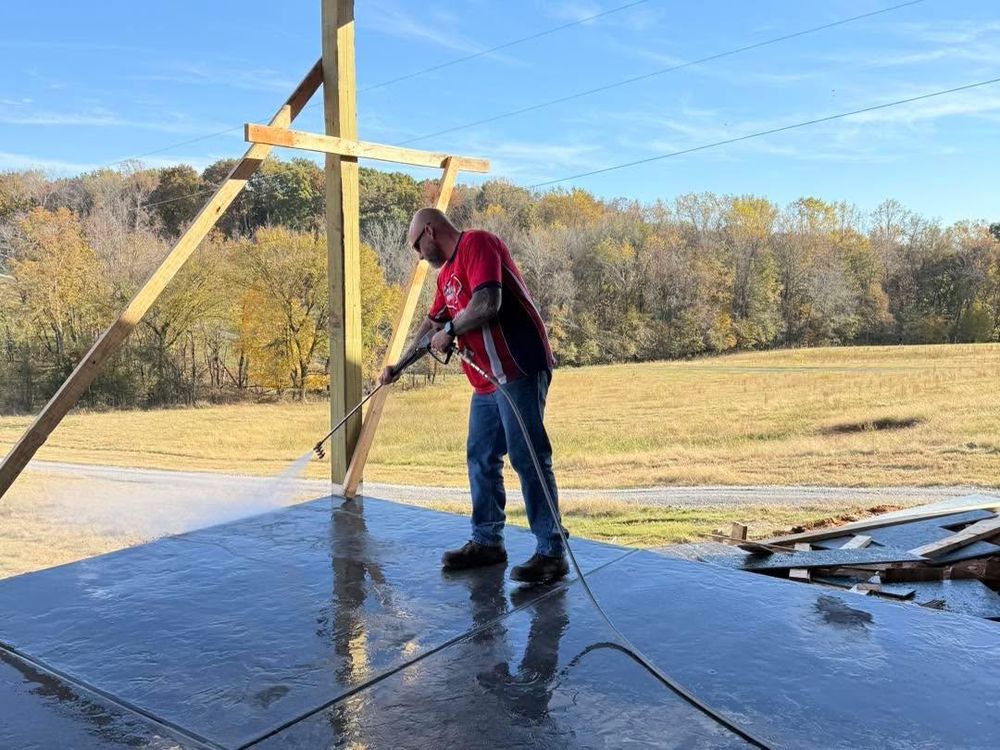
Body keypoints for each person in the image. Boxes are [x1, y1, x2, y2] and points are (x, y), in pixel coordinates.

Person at [379, 208, 567, 584]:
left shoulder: (478, 244)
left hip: (517, 369)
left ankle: (551, 551)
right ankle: (487, 543)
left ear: (430, 231)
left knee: (527, 456)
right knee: (480, 456)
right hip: (486, 384)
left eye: (418, 246)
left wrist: (450, 329)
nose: (419, 255)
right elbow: (431, 326)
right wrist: (397, 367)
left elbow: (487, 303)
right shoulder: (446, 275)